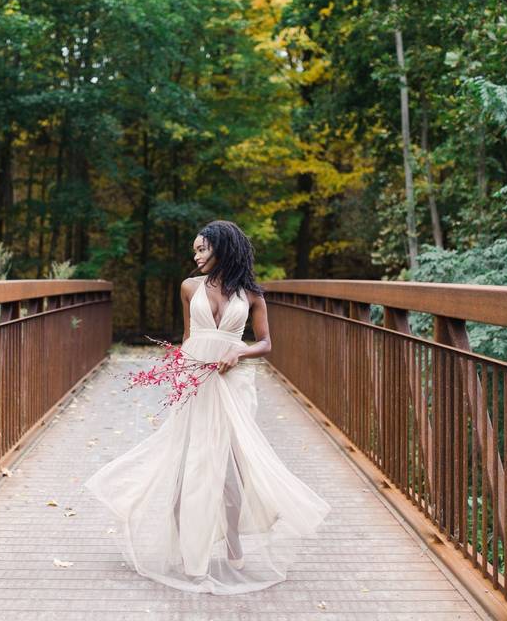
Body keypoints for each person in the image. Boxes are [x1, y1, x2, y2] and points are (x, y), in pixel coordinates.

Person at [84, 219, 331, 595]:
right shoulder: (188, 287)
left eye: (202, 248)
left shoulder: (251, 294)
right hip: (196, 381)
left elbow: (265, 343)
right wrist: (180, 373)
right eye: (195, 249)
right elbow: (188, 337)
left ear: (222, 248)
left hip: (234, 385)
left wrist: (239, 350)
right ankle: (191, 554)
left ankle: (234, 542)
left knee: (232, 469)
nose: (195, 255)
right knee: (192, 465)